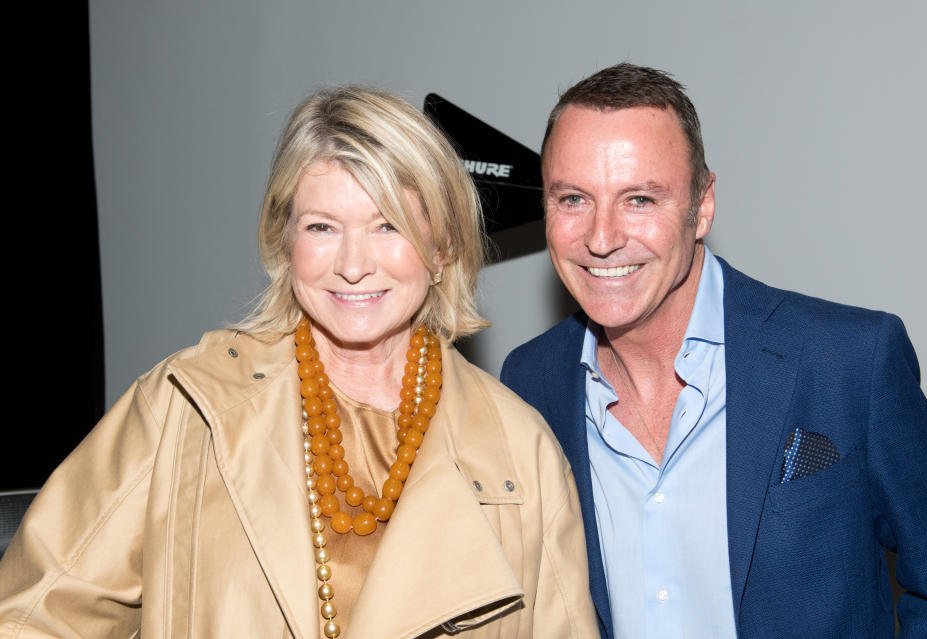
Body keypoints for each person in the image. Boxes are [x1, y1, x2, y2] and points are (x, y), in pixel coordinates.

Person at [0, 87, 599, 639]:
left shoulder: (522, 451)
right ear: (285, 245)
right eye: (322, 227)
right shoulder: (184, 406)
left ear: (442, 247)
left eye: (387, 226)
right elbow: (35, 615)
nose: (353, 264)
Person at [501, 63, 927, 638]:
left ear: (703, 205)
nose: (601, 237)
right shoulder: (529, 380)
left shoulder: (849, 360)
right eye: (573, 199)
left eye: (640, 199)